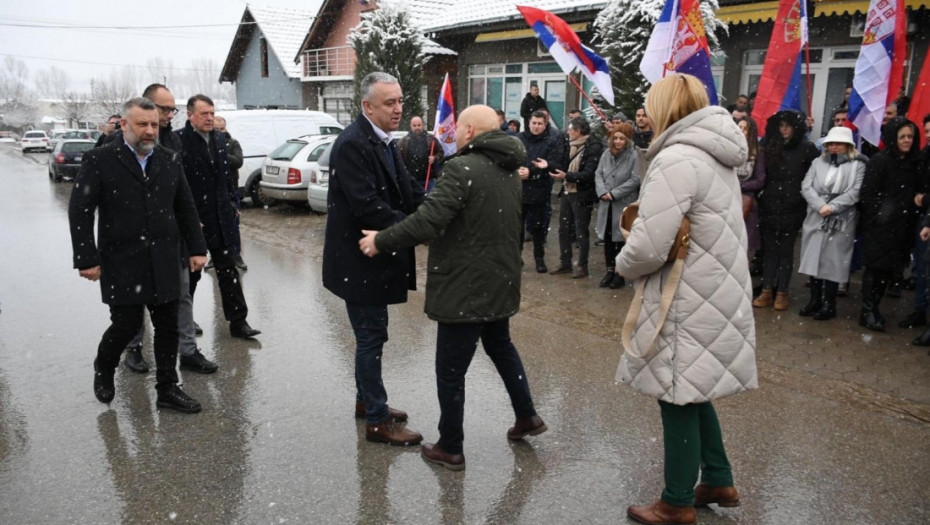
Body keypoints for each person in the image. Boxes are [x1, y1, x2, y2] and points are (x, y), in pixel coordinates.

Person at [358, 104, 547, 471]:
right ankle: (527, 416)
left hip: (466, 286)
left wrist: (382, 240)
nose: (453, 133)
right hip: (499, 280)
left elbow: (429, 221)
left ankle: (450, 446)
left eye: (458, 127)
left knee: (450, 370)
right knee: (501, 347)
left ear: (471, 131)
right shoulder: (509, 169)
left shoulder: (462, 168)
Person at [616, 74, 757, 525]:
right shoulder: (715, 153)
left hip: (686, 292)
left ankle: (676, 501)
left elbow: (649, 245)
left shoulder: (676, 157)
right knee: (693, 387)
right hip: (715, 285)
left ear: (664, 109)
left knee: (675, 392)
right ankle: (718, 477)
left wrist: (623, 260)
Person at [68, 97, 208, 412]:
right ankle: (104, 365)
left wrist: (197, 248)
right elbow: (80, 210)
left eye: (154, 125)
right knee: (126, 326)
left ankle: (167, 389)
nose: (149, 131)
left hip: (164, 258)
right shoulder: (99, 159)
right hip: (122, 260)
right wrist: (86, 257)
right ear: (124, 125)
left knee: (168, 326)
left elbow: (185, 206)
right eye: (142, 124)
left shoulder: (169, 159)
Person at [322, 72, 426, 446]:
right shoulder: (353, 144)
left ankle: (367, 402)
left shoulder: (383, 140)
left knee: (372, 336)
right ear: (367, 106)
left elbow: (406, 190)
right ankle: (378, 422)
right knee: (370, 337)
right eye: (389, 103)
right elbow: (368, 205)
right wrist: (416, 227)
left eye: (400, 101)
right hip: (358, 262)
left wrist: (433, 207)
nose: (398, 109)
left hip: (372, 260)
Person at [117, 83, 216, 374]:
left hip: (173, 238)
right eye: (164, 108)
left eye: (172, 108)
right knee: (136, 297)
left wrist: (190, 225)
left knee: (182, 294)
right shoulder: (116, 146)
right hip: (134, 240)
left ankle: (187, 352)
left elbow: (182, 192)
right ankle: (133, 348)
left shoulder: (173, 142)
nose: (169, 115)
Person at [176, 94, 261, 340]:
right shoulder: (180, 141)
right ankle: (185, 320)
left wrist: (232, 204)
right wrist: (188, 219)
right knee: (191, 275)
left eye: (212, 113)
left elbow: (225, 178)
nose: (210, 118)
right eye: (204, 113)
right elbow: (179, 186)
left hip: (221, 217)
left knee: (228, 271)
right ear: (190, 115)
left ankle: (238, 321)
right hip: (195, 220)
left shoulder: (220, 139)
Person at [858, 117, 922, 331]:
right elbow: (868, 194)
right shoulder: (880, 161)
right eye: (902, 136)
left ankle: (874, 307)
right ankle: (868, 310)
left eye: (910, 136)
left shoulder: (914, 163)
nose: (906, 140)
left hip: (902, 228)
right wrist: (884, 215)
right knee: (875, 270)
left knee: (887, 272)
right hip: (881, 226)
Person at [797, 127, 866, 320]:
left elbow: (855, 191)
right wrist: (820, 205)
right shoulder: (817, 162)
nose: (834, 147)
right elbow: (806, 186)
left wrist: (833, 207)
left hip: (841, 218)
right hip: (816, 215)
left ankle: (829, 303)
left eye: (839, 143)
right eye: (831, 143)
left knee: (834, 260)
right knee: (814, 257)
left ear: (847, 145)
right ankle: (815, 299)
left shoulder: (857, 165)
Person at [753, 110, 819, 311]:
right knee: (769, 250)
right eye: (781, 126)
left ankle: (782, 292)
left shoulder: (807, 149)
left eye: (788, 126)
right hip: (770, 204)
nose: (784, 130)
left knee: (786, 251)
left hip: (793, 206)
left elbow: (815, 174)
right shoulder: (769, 145)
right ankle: (766, 290)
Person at [549, 116, 604, 278]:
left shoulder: (593, 147)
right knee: (563, 229)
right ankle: (565, 262)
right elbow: (563, 164)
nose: (568, 132)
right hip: (567, 191)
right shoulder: (570, 145)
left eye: (570, 129)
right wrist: (550, 168)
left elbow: (588, 174)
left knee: (581, 231)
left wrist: (567, 175)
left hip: (582, 194)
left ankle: (582, 265)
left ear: (578, 132)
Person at [594, 123, 640, 289]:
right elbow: (598, 173)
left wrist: (614, 193)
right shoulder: (606, 154)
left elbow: (635, 179)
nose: (618, 142)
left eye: (622, 138)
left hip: (622, 204)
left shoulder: (633, 156)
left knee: (620, 239)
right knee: (607, 239)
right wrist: (602, 191)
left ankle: (620, 273)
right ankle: (609, 270)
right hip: (606, 203)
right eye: (616, 138)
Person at [518, 110, 564, 273]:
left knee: (538, 228)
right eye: (534, 123)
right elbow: (513, 159)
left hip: (540, 190)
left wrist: (532, 172)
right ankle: (517, 257)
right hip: (520, 190)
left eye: (540, 124)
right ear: (529, 123)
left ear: (545, 125)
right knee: (518, 228)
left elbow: (553, 164)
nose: (536, 126)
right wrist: (519, 170)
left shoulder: (551, 141)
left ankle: (539, 258)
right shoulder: (519, 139)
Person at [214, 115, 247, 271]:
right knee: (213, 226)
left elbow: (238, 161)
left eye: (222, 128)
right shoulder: (206, 143)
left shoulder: (232, 143)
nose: (219, 132)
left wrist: (221, 155)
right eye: (216, 129)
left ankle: (236, 255)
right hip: (212, 191)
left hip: (231, 189)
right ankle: (214, 256)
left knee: (234, 225)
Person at [736, 117, 766, 260]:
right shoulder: (729, 150)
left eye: (745, 128)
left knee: (743, 248)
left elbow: (760, 180)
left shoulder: (757, 153)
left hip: (746, 204)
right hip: (727, 200)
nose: (741, 131)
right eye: (739, 127)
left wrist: (740, 185)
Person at [398, 115, 445, 191]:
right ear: (410, 126)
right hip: (411, 181)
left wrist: (434, 158)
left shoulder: (432, 140)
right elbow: (398, 160)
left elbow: (441, 153)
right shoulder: (403, 142)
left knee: (430, 201)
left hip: (428, 180)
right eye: (414, 125)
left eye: (419, 125)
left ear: (423, 125)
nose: (417, 127)